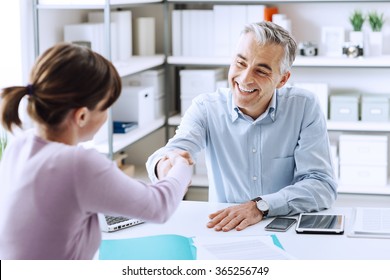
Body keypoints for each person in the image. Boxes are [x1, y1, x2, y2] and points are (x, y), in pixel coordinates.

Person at [0, 43, 193, 259]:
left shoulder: (18, 145)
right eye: (106, 106)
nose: (107, 115)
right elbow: (160, 206)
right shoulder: (77, 164)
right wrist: (181, 166)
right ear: (81, 116)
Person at [146, 21, 337, 232]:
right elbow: (174, 151)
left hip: (284, 228)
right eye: (240, 63)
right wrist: (164, 166)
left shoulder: (304, 106)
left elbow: (322, 186)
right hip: (225, 228)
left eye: (261, 71)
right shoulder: (206, 107)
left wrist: (261, 206)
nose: (245, 79)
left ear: (282, 80)